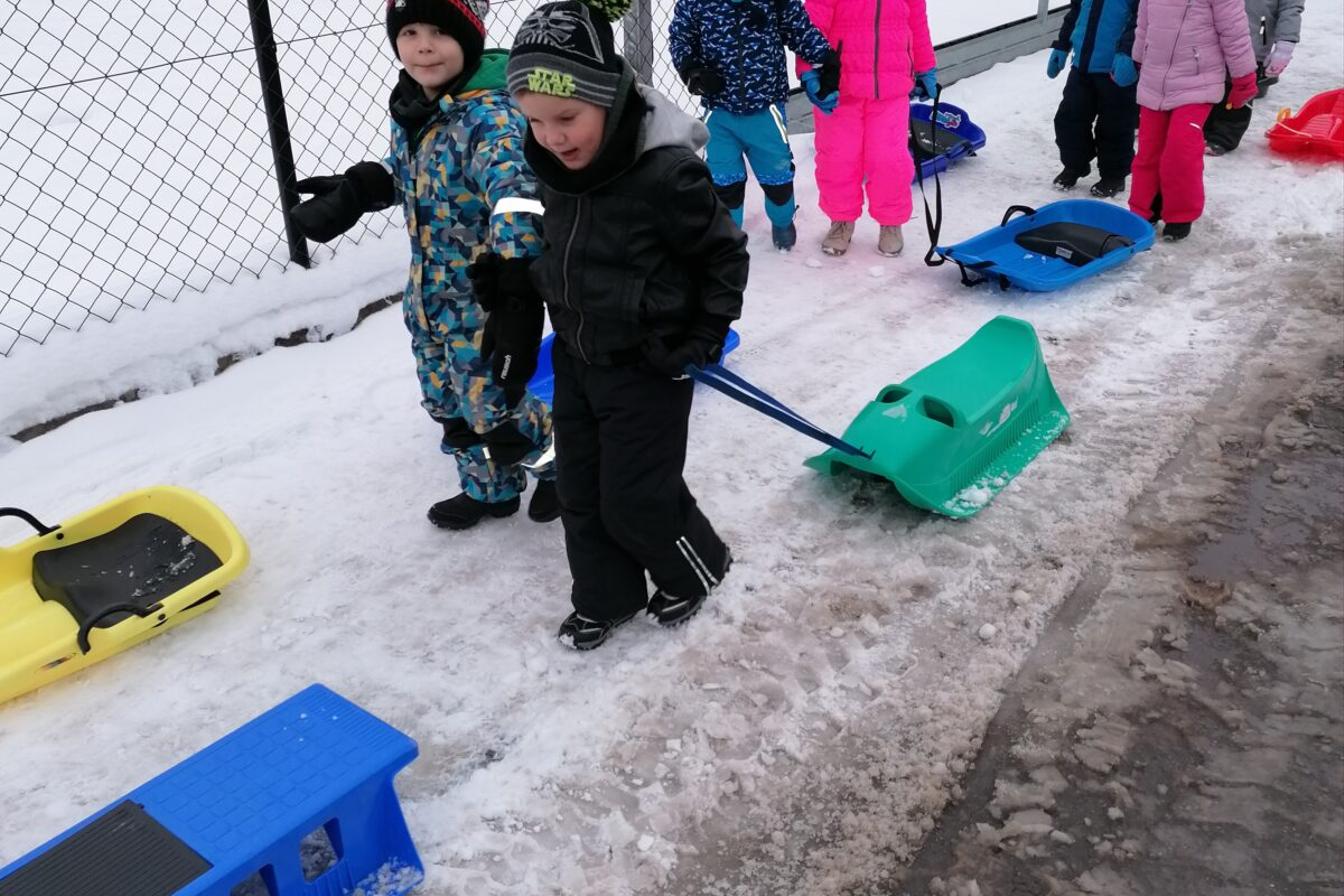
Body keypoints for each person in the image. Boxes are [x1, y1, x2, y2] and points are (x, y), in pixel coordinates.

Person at [501, 0, 748, 649]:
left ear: (606, 98)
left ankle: (696, 569)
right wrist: (523, 286)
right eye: (535, 120)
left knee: (636, 498)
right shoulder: (555, 170)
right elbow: (566, 254)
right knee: (581, 494)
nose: (552, 136)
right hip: (581, 362)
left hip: (650, 366)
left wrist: (702, 335)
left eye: (566, 117)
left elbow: (722, 254)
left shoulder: (664, 173)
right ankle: (606, 599)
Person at [289, 0, 558, 530]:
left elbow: (516, 197)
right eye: (409, 31)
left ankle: (558, 469)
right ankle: (491, 490)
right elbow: (421, 172)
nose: (423, 45)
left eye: (439, 31)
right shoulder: (417, 108)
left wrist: (515, 288)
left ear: (470, 37)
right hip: (429, 296)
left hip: (484, 300)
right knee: (446, 404)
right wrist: (364, 186)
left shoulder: (491, 116)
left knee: (494, 407)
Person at [668, 0, 840, 251]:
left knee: (777, 178)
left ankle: (782, 221)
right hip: (719, 110)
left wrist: (825, 58)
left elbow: (798, 28)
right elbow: (681, 37)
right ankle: (727, 235)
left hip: (765, 109)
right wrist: (691, 71)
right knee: (723, 181)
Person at [800, 0, 937, 257]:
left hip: (892, 86)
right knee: (838, 157)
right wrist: (808, 72)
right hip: (840, 86)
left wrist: (925, 66)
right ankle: (841, 220)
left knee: (888, 158)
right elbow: (809, 26)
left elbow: (917, 23)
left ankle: (891, 221)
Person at [1129, 0, 1256, 241]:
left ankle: (1180, 213)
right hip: (1154, 77)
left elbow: (1234, 30)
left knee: (1181, 149)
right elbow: (1144, 22)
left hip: (1198, 80)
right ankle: (1144, 208)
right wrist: (1138, 59)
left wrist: (1244, 77)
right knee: (1148, 149)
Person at [1046, 0, 1142, 197]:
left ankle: (1114, 176)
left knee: (1115, 127)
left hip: (1117, 70)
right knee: (1068, 119)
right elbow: (1075, 13)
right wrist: (1062, 45)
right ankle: (1075, 165)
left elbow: (1141, 21)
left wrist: (1127, 53)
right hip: (1082, 65)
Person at [1204, 0, 1304, 155]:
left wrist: (1285, 44)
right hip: (1210, 35)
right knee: (1205, 85)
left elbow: (1290, 8)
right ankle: (1200, 128)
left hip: (1253, 39)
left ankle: (1223, 137)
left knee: (1238, 90)